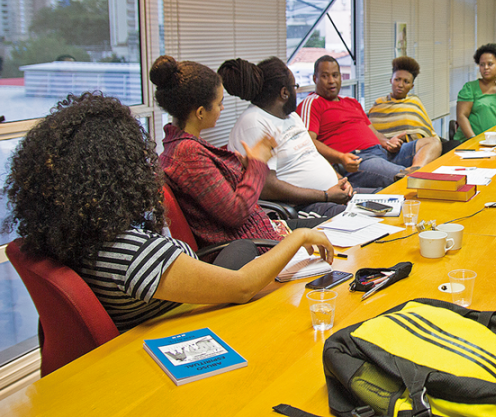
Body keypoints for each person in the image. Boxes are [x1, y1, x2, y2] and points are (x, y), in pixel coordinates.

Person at [1, 93, 333, 332]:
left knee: (244, 250)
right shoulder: (130, 253)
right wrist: (300, 236)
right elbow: (242, 286)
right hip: (184, 326)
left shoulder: (69, 234)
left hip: (168, 307)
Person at [151, 55, 283, 249]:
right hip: (251, 252)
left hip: (260, 238)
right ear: (200, 112)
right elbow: (235, 212)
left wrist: (244, 167)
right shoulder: (187, 154)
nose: (222, 108)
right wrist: (257, 164)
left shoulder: (184, 147)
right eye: (219, 102)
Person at [218, 57, 353, 218]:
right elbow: (268, 187)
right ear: (284, 93)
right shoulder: (254, 123)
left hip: (332, 195)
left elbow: (312, 155)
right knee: (371, 219)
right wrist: (326, 195)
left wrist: (340, 181)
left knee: (384, 202)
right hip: (303, 206)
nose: (297, 91)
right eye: (295, 87)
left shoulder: (291, 116)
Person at [297, 55, 441, 189]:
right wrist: (341, 158)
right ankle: (411, 175)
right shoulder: (312, 103)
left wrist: (387, 142)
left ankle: (415, 170)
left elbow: (372, 131)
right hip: (358, 159)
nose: (331, 81)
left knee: (433, 142)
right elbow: (308, 142)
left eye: (335, 75)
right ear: (315, 79)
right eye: (324, 76)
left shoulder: (351, 102)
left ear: (341, 77)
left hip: (382, 152)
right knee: (410, 181)